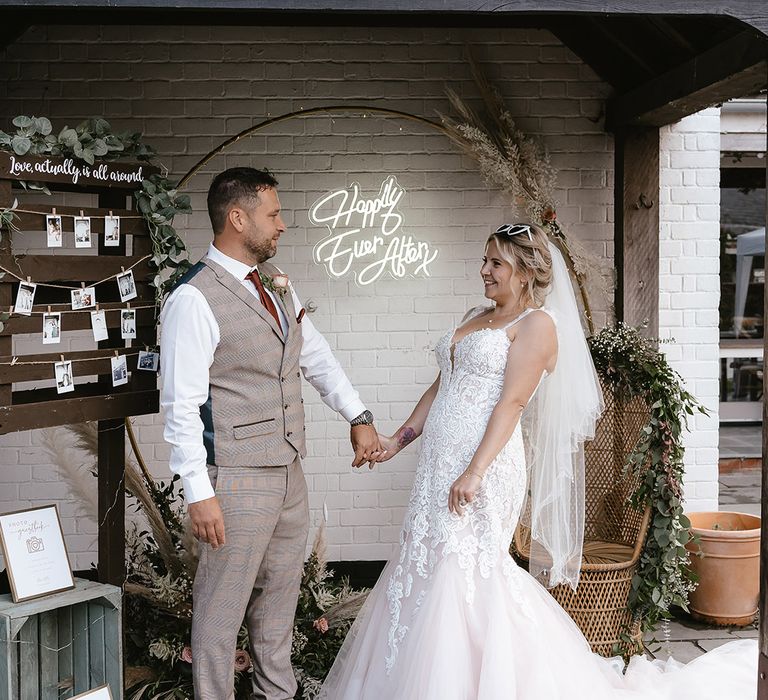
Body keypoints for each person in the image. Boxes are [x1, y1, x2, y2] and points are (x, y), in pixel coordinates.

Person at [319, 223, 757, 699]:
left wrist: (475, 471)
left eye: (496, 263)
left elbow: (512, 403)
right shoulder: (475, 315)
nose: (484, 270)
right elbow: (441, 386)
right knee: (426, 563)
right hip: (437, 467)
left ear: (525, 272)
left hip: (484, 468)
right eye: (484, 259)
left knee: (465, 570)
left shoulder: (537, 326)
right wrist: (397, 439)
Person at [160, 167, 383, 700]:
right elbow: (180, 405)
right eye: (273, 214)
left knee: (279, 604)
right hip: (234, 478)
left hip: (288, 472)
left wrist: (357, 415)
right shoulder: (193, 300)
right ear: (238, 219)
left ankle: (275, 696)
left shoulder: (276, 283)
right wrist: (199, 490)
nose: (283, 224)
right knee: (220, 610)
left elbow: (314, 355)